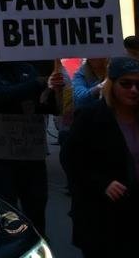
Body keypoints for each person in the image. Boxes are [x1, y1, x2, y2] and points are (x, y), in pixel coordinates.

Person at [0, 25, 63, 237]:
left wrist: (54, 90)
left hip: (29, 154)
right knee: (5, 212)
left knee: (36, 208)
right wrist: (36, 85)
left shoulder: (25, 68)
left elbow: (44, 106)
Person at [64, 56, 139, 257]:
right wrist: (102, 183)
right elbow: (72, 160)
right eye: (126, 83)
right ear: (111, 85)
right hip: (101, 216)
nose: (134, 89)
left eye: (138, 84)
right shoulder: (90, 117)